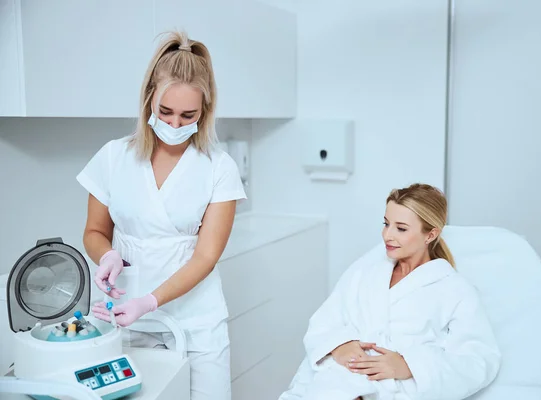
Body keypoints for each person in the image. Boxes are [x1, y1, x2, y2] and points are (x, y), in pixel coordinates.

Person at [76, 31, 246, 400]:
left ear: (205, 110)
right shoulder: (113, 157)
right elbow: (94, 230)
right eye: (164, 111)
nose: (173, 123)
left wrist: (150, 301)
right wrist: (106, 255)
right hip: (122, 316)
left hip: (196, 321)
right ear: (148, 98)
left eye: (188, 115)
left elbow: (206, 256)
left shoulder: (218, 167)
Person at [279, 183, 502, 400]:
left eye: (401, 228)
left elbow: (479, 360)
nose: (387, 235)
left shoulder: (455, 290)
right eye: (386, 224)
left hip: (397, 390)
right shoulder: (365, 272)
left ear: (430, 235)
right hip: (340, 381)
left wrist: (409, 366)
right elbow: (325, 320)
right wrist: (339, 346)